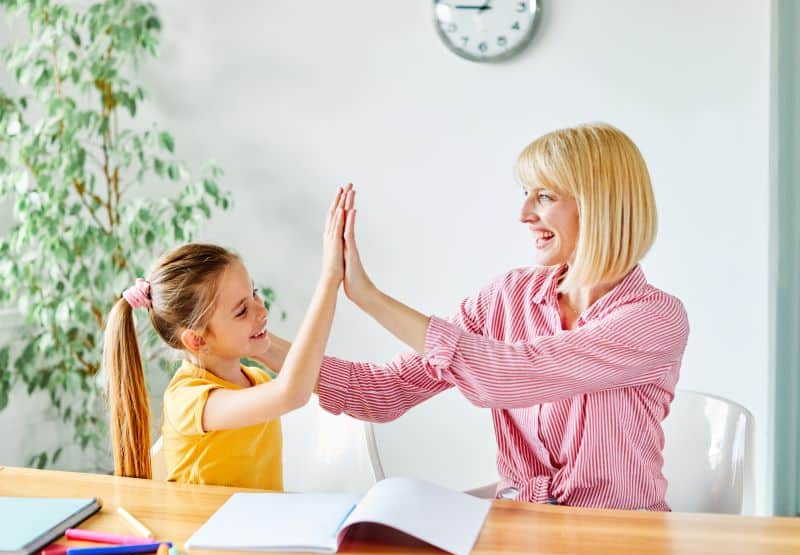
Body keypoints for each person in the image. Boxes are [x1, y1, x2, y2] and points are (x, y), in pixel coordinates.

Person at [261, 124, 689, 510]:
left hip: (621, 540)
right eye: (525, 194)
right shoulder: (507, 297)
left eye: (544, 196)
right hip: (525, 532)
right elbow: (383, 391)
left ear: (600, 206)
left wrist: (370, 298)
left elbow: (508, 376)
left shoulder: (654, 319)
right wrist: (258, 343)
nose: (524, 215)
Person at [102, 185, 352, 488]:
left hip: (259, 531)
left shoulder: (257, 380)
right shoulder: (189, 400)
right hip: (205, 535)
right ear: (196, 340)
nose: (261, 310)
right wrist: (329, 279)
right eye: (241, 310)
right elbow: (292, 392)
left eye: (255, 294)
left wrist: (252, 332)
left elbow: (307, 372)